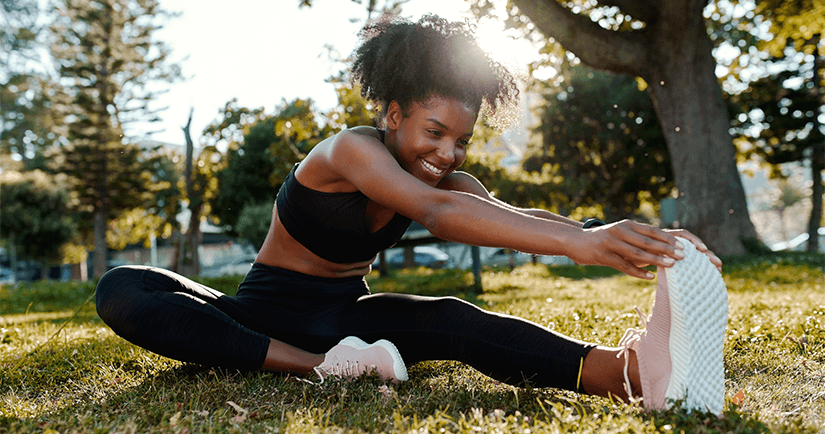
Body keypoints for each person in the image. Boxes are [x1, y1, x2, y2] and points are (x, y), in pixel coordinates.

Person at [95, 14, 728, 412]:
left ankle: (632, 373)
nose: (445, 152)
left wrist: (616, 236)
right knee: (124, 288)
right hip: (261, 316)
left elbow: (504, 212)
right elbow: (433, 210)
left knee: (453, 318)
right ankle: (323, 370)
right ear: (393, 113)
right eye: (433, 131)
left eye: (460, 140)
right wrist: (579, 248)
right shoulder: (349, 151)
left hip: (349, 319)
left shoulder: (451, 178)